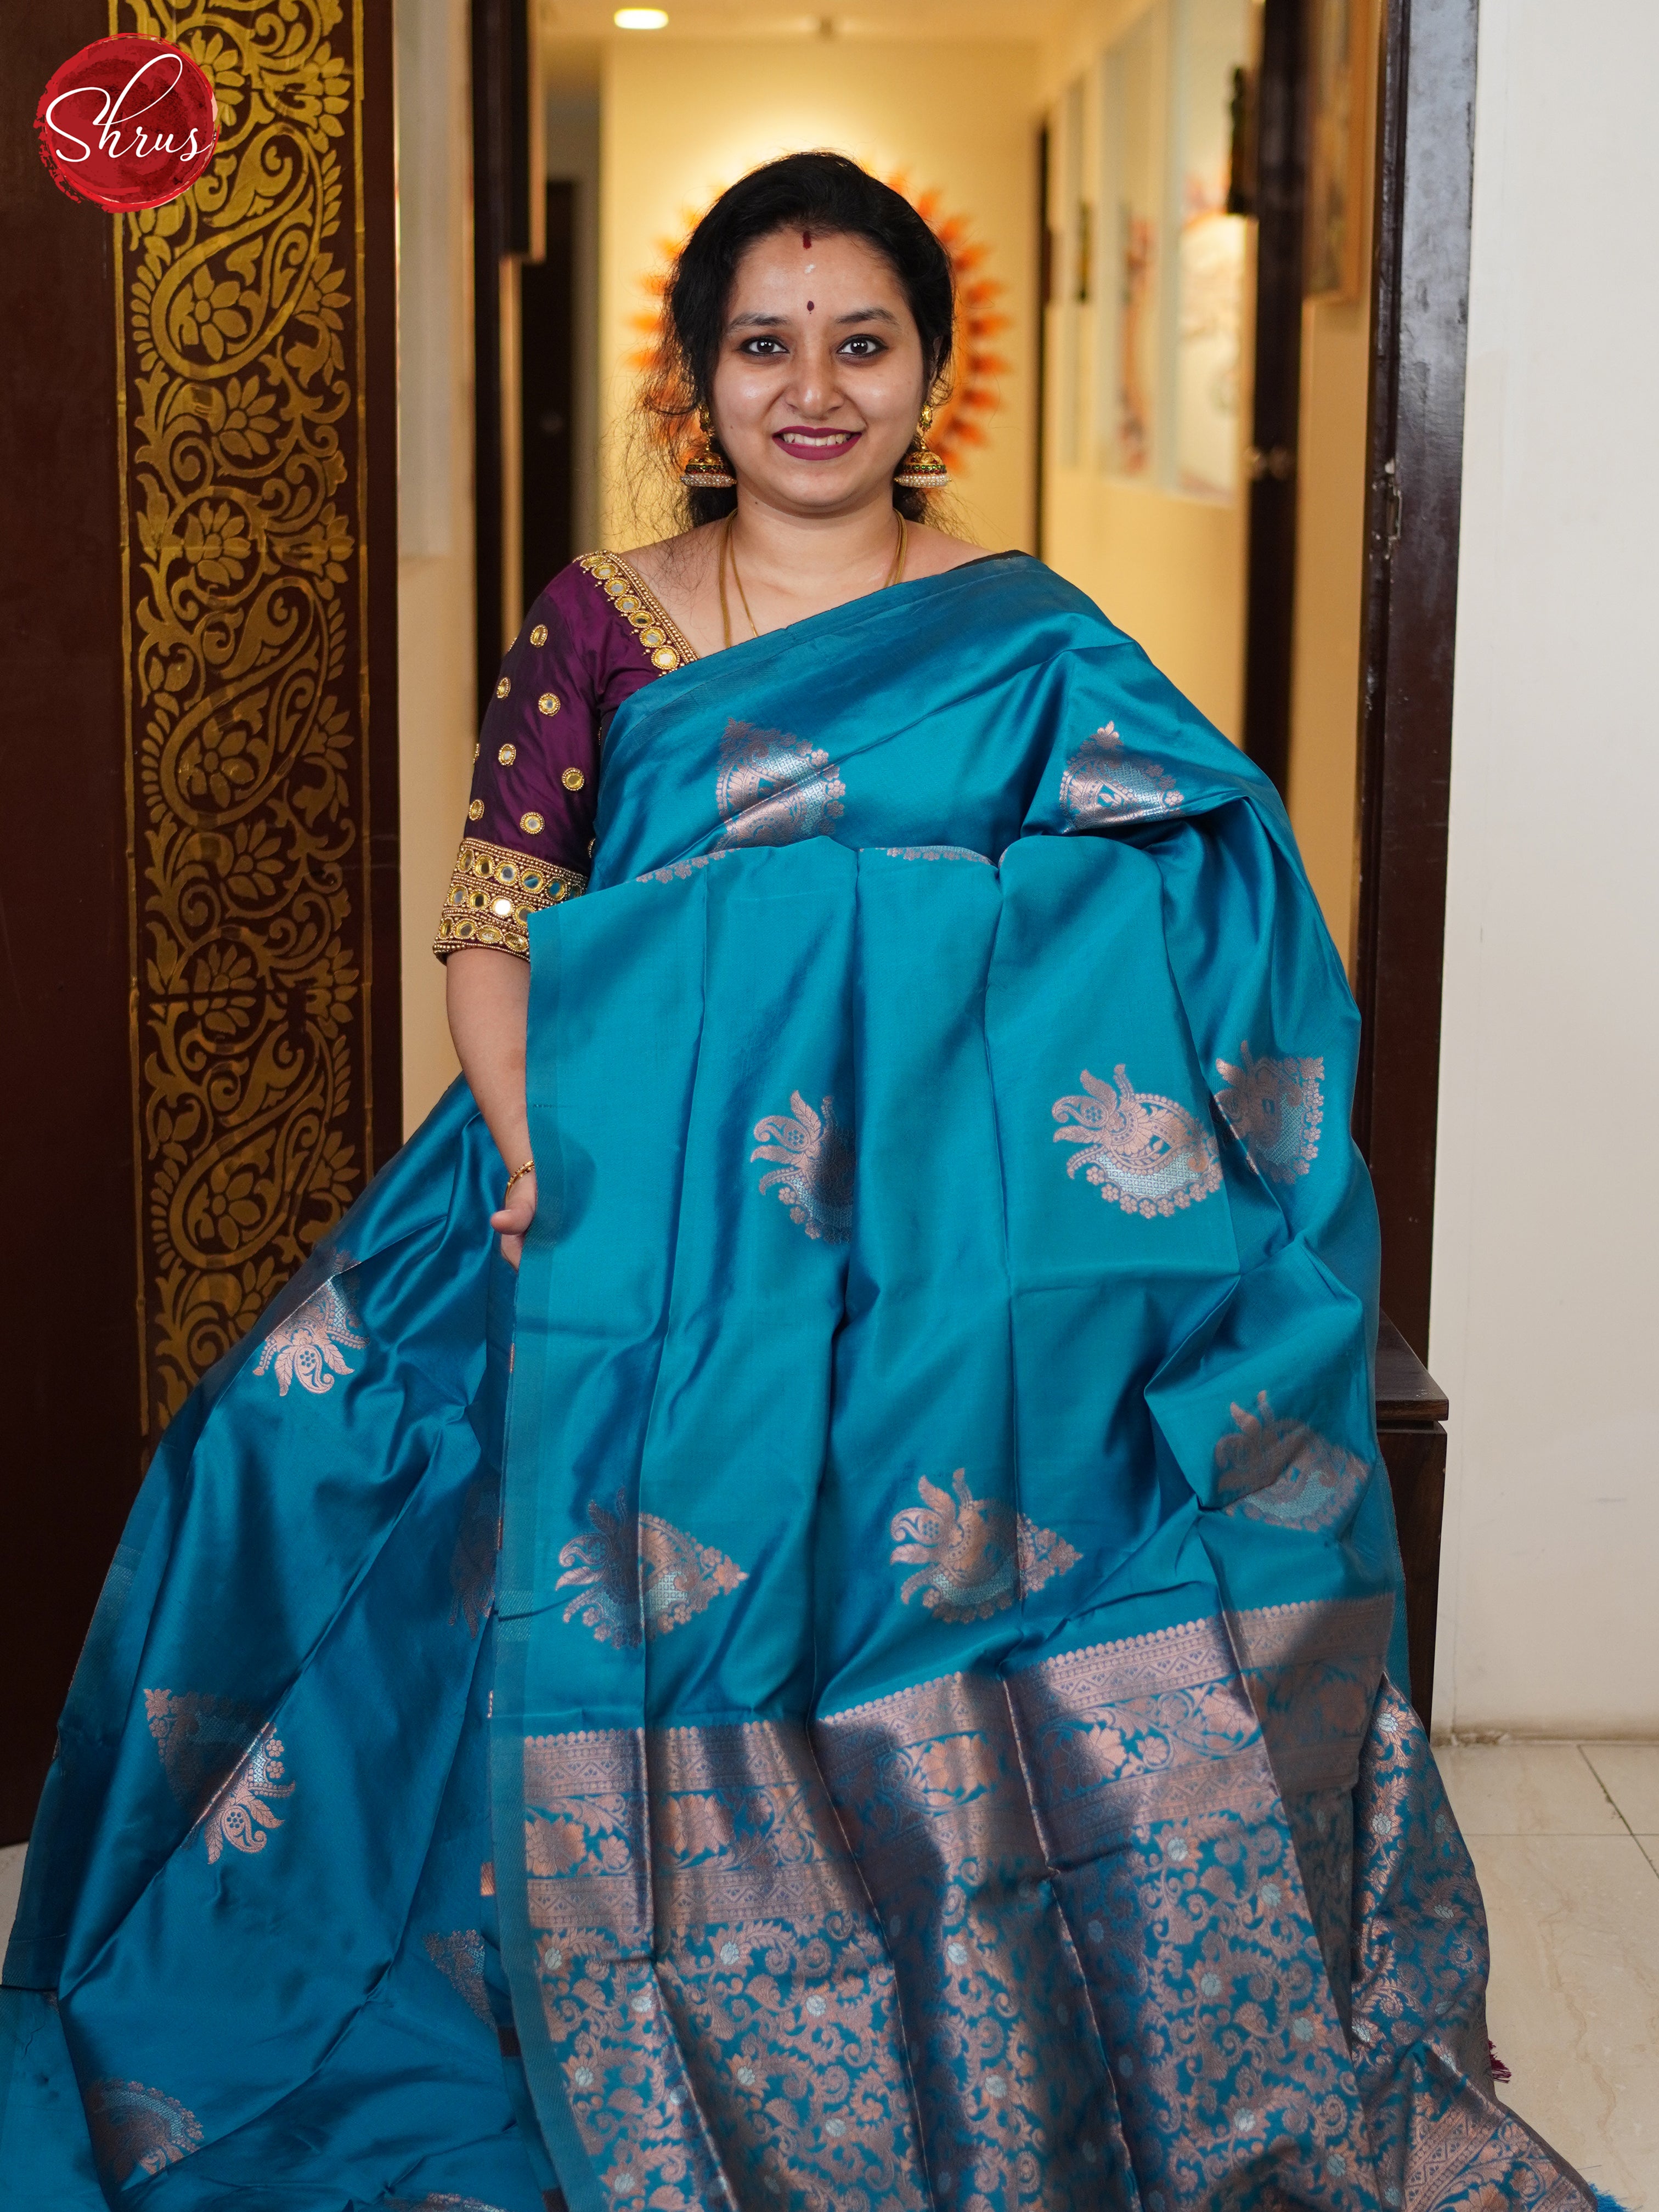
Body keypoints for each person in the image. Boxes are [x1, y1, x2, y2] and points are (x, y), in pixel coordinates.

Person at [1, 153, 1594, 2212]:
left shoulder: (1019, 638)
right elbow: (499, 921)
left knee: (1084, 1501)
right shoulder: (605, 620)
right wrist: (526, 1155)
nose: (814, 389)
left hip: (951, 1241)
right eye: (768, 347)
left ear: (932, 374)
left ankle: (977, 1968)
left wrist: (966, 947)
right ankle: (493, 1938)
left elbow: (1203, 860)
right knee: (280, 1455)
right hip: (603, 1194)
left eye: (863, 346)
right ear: (700, 379)